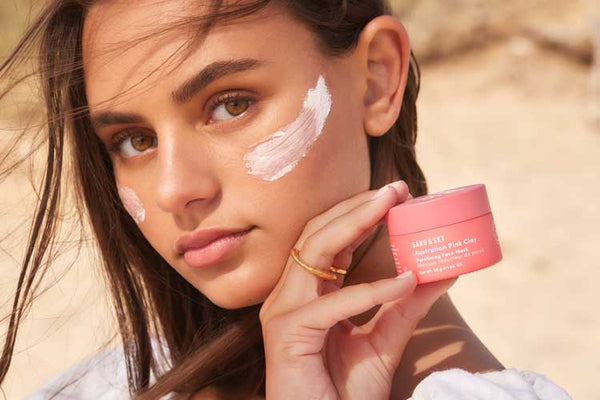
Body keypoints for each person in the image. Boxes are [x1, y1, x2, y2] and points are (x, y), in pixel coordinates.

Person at [0, 1, 572, 399]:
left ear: (377, 78)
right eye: (135, 141)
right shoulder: (118, 381)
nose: (174, 189)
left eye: (230, 105)